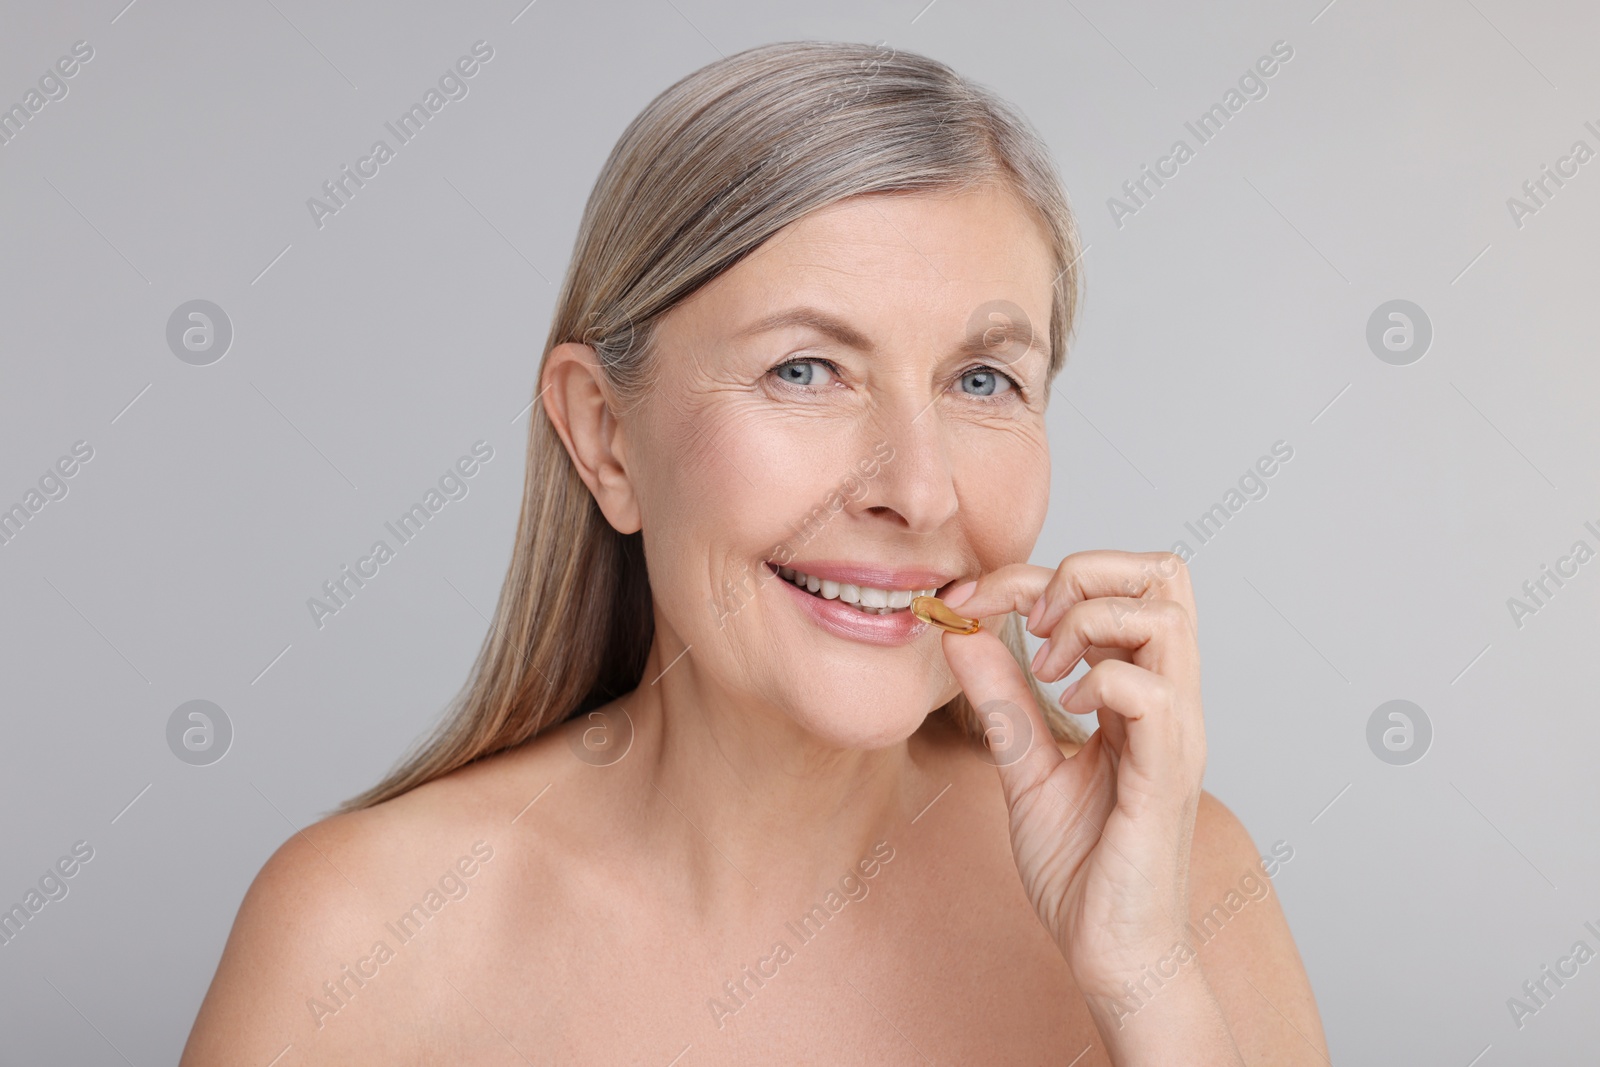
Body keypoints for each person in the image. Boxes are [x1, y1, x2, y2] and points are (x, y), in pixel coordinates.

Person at [181, 40, 1326, 1064]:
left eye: (983, 380)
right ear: (606, 436)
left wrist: (1145, 984)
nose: (918, 489)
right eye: (805, 370)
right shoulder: (360, 938)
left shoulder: (1180, 886)